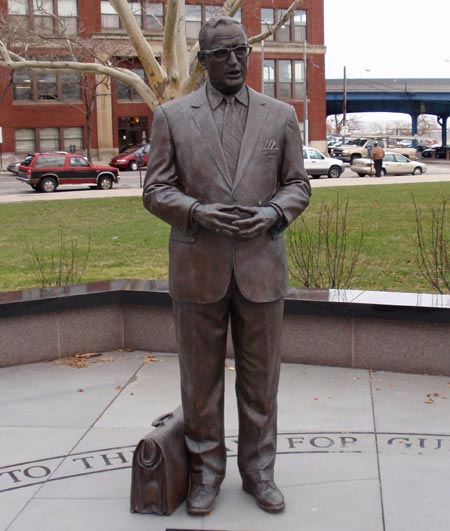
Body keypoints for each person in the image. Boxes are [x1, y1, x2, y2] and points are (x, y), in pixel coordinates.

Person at [143, 16, 311, 516]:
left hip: (261, 266)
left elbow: (298, 184)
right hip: (198, 267)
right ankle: (205, 473)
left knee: (261, 380)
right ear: (203, 61)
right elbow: (155, 189)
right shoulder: (172, 116)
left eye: (241, 51)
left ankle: (259, 471)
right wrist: (196, 211)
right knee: (200, 382)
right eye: (223, 54)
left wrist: (272, 213)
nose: (235, 61)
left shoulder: (279, 115)